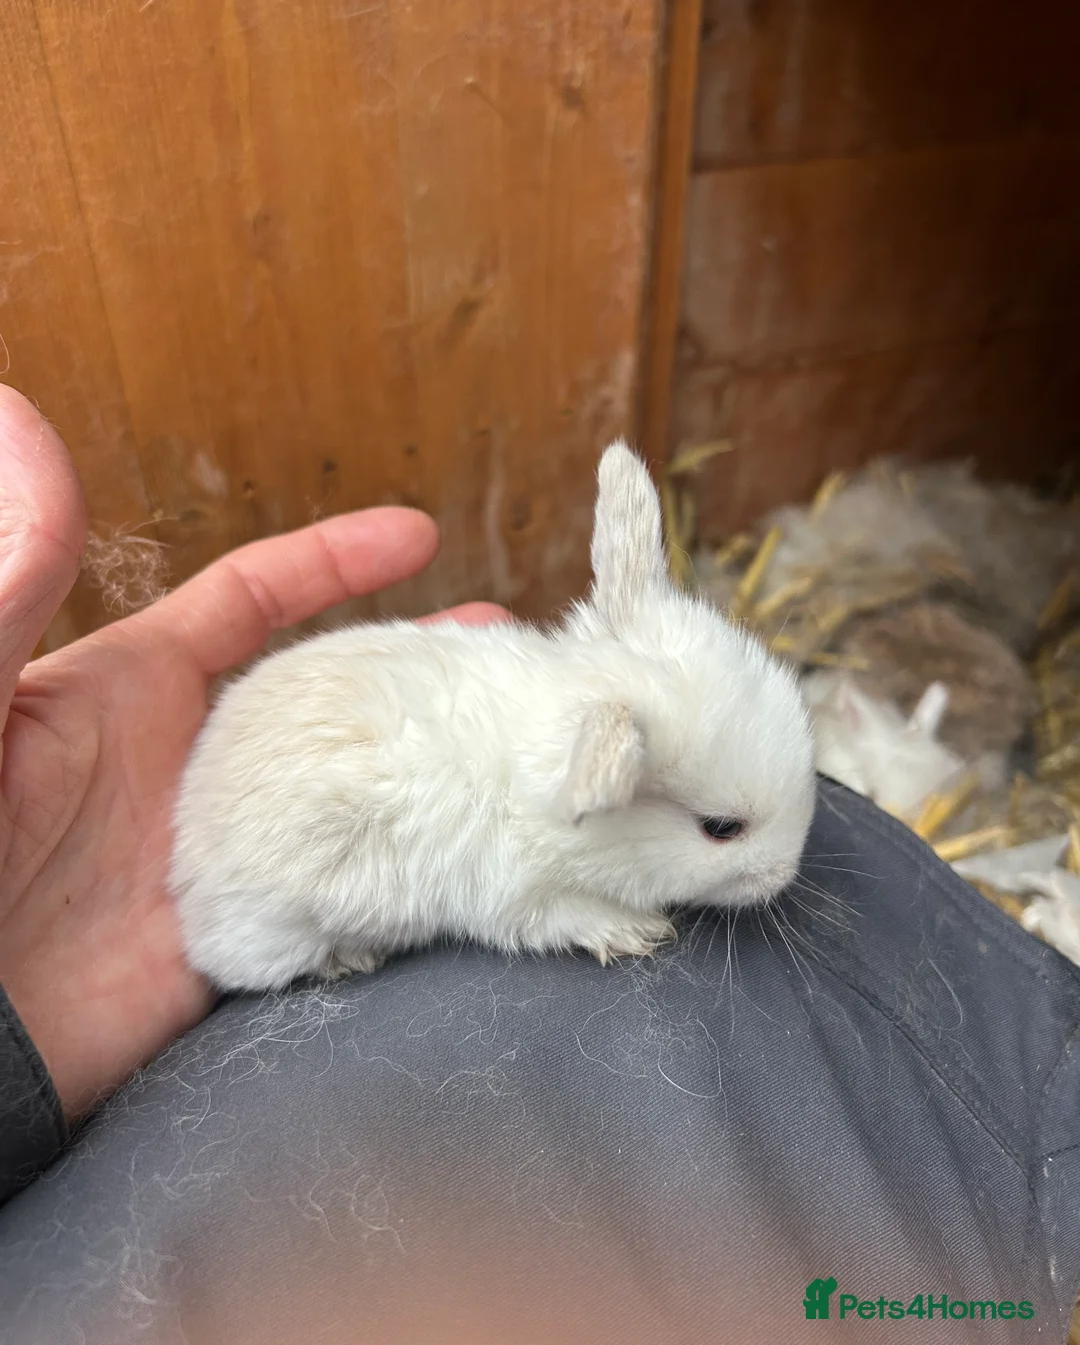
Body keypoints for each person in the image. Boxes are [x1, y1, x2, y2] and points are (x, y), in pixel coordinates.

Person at [0, 385, 1078, 1344]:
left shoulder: (568, 708)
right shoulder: (547, 800)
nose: (777, 867)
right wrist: (583, 920)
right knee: (353, 906)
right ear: (606, 784)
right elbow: (511, 896)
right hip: (269, 916)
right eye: (723, 830)